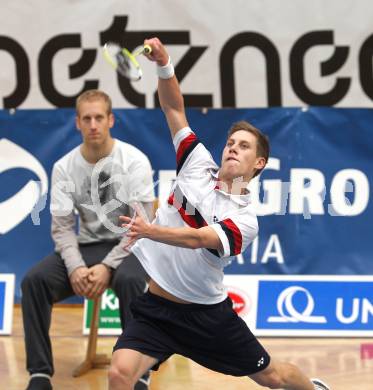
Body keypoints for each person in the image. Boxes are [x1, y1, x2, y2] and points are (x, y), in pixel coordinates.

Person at [107, 39, 330, 390]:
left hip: (206, 317)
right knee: (119, 373)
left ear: (258, 164)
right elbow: (173, 109)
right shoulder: (196, 163)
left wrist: (151, 231)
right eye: (230, 142)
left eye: (243, 146)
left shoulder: (246, 221)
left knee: (272, 377)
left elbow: (198, 238)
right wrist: (165, 65)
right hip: (156, 308)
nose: (232, 148)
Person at [21, 89, 155, 390]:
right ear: (77, 124)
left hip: (131, 247)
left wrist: (108, 267)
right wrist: (76, 269)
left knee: (130, 281)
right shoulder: (64, 167)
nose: (93, 124)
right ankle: (39, 374)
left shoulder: (134, 161)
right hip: (87, 248)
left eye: (99, 118)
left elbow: (141, 227)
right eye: (86, 118)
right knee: (34, 281)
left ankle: (138, 372)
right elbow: (62, 228)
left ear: (111, 120)